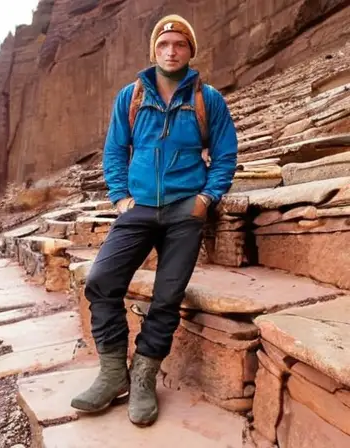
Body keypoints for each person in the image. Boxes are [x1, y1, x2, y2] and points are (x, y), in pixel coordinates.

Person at [70, 14, 238, 426]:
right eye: (164, 45)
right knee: (101, 281)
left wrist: (206, 198)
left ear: (190, 50)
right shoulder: (131, 96)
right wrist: (120, 198)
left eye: (179, 44)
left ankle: (143, 378)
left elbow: (226, 153)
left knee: (166, 296)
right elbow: (115, 152)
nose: (171, 50)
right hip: (140, 208)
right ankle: (113, 374)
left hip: (185, 210)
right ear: (154, 50)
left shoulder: (207, 98)